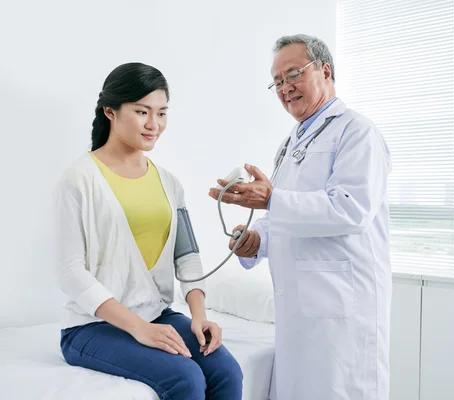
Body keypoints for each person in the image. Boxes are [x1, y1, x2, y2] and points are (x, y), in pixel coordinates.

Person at [208, 35, 392, 399]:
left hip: (341, 306)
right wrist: (256, 240)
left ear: (325, 70)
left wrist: (273, 199)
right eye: (277, 82)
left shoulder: (358, 133)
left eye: (293, 74)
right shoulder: (293, 142)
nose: (285, 88)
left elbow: (350, 209)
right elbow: (288, 213)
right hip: (301, 308)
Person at [54, 62, 242, 400]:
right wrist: (139, 329)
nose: (154, 124)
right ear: (110, 111)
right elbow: (71, 272)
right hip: (90, 328)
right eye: (142, 112)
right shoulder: (78, 179)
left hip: (157, 314)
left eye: (162, 113)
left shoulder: (169, 182)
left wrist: (199, 316)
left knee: (227, 372)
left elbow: (188, 255)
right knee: (184, 379)